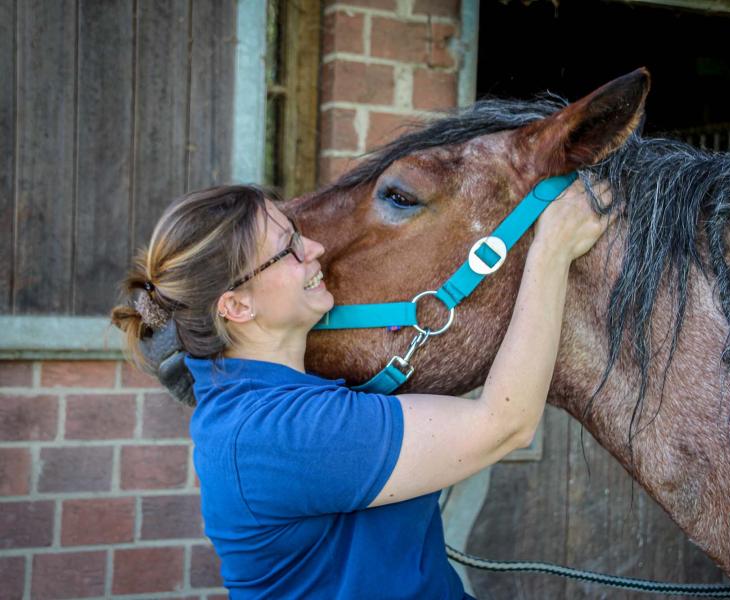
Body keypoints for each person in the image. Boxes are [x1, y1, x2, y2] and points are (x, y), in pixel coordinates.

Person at [111, 182, 610, 599]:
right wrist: (552, 250)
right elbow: (505, 425)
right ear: (237, 307)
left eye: (298, 236)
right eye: (288, 250)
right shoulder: (275, 433)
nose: (315, 250)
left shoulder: (261, 401)